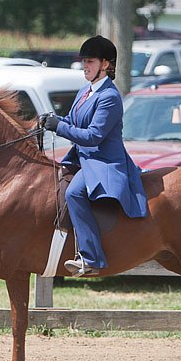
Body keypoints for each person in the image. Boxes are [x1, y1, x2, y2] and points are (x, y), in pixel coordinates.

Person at [40, 35, 148, 276]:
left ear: (106, 65)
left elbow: (93, 136)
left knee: (74, 193)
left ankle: (91, 258)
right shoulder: (85, 91)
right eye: (84, 61)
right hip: (82, 159)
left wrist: (59, 127)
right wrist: (52, 120)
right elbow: (72, 121)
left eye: (90, 61)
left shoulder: (109, 97)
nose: (84, 66)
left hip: (103, 161)